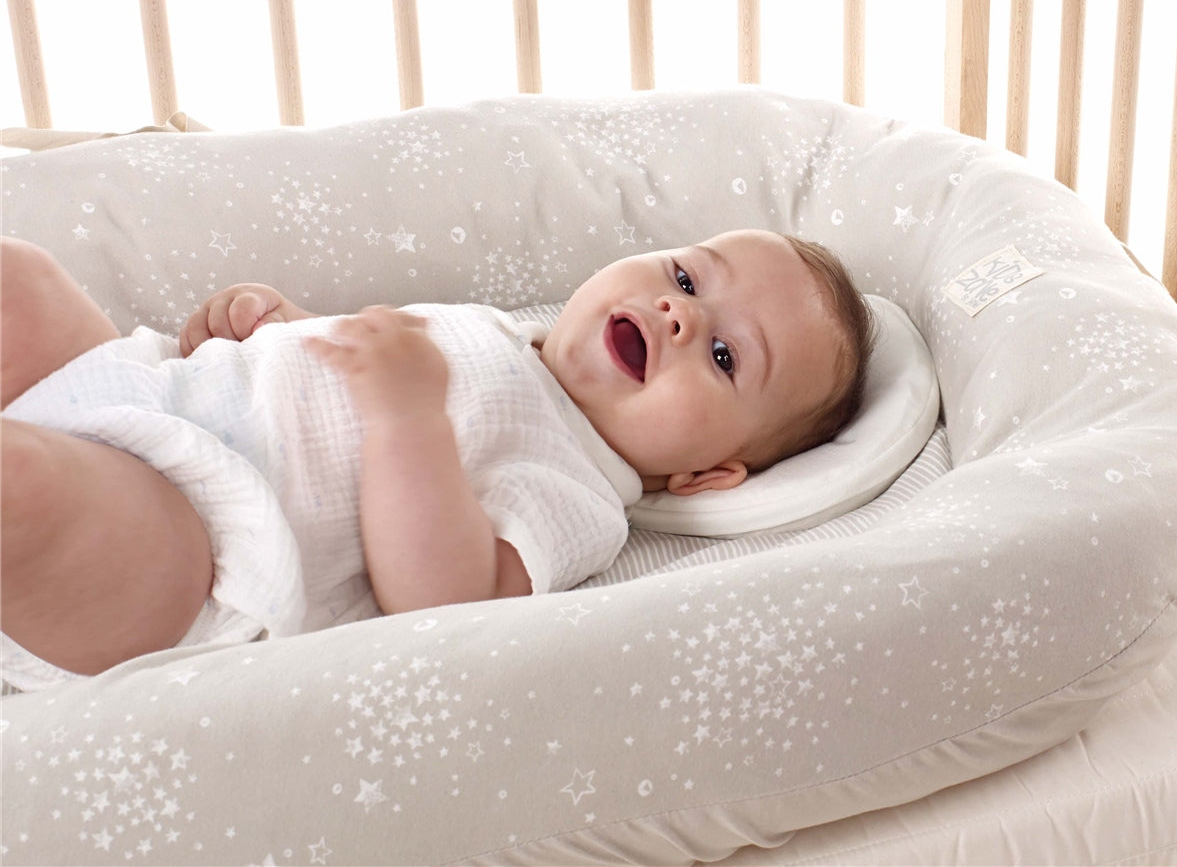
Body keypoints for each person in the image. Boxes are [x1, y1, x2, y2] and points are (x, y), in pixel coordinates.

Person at [0, 228, 875, 690]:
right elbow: (335, 403)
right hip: (155, 401)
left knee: (24, 487)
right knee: (23, 281)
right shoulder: (501, 328)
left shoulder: (581, 491)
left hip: (199, 548)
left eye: (726, 357)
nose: (680, 315)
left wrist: (408, 416)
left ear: (707, 472)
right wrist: (281, 327)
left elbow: (439, 599)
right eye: (686, 277)